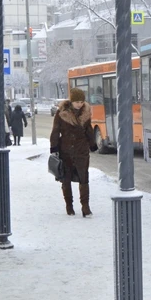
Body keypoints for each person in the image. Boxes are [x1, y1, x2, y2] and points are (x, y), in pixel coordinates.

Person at [50, 88, 97, 216]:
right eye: (77, 102)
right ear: (72, 101)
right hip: (66, 151)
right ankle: (69, 206)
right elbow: (55, 131)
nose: (80, 104)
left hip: (81, 150)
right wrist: (54, 148)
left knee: (84, 178)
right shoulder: (61, 113)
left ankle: (85, 207)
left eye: (82, 102)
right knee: (66, 179)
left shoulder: (85, 114)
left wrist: (92, 144)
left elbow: (89, 129)